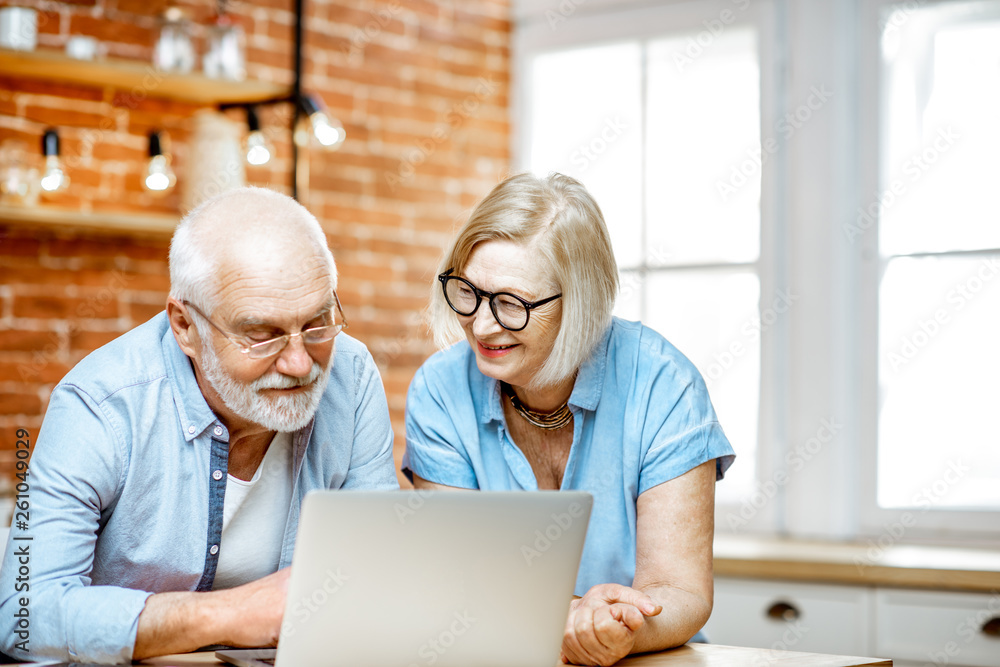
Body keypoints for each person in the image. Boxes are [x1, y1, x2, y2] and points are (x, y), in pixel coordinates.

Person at [0, 187, 398, 663]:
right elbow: (23, 617)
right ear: (186, 327)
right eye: (261, 335)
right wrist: (229, 615)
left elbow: (375, 574)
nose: (298, 363)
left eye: (317, 324)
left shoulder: (349, 375)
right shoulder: (100, 404)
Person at [402, 172, 735, 666]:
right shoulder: (440, 390)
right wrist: (570, 616)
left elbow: (680, 592)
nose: (482, 324)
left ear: (579, 303)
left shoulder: (666, 385)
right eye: (468, 292)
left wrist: (614, 630)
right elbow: (457, 582)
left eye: (512, 304)